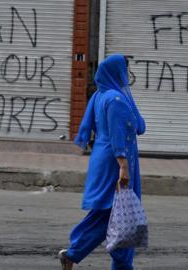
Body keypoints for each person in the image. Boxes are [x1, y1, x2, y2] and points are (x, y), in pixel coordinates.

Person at [58, 54, 146, 270]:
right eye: (124, 71)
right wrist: (123, 166)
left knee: (115, 214)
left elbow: (139, 127)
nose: (127, 76)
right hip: (115, 162)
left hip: (105, 157)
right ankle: (74, 253)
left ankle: (81, 255)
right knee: (114, 214)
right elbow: (118, 135)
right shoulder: (115, 99)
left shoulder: (101, 95)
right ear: (117, 73)